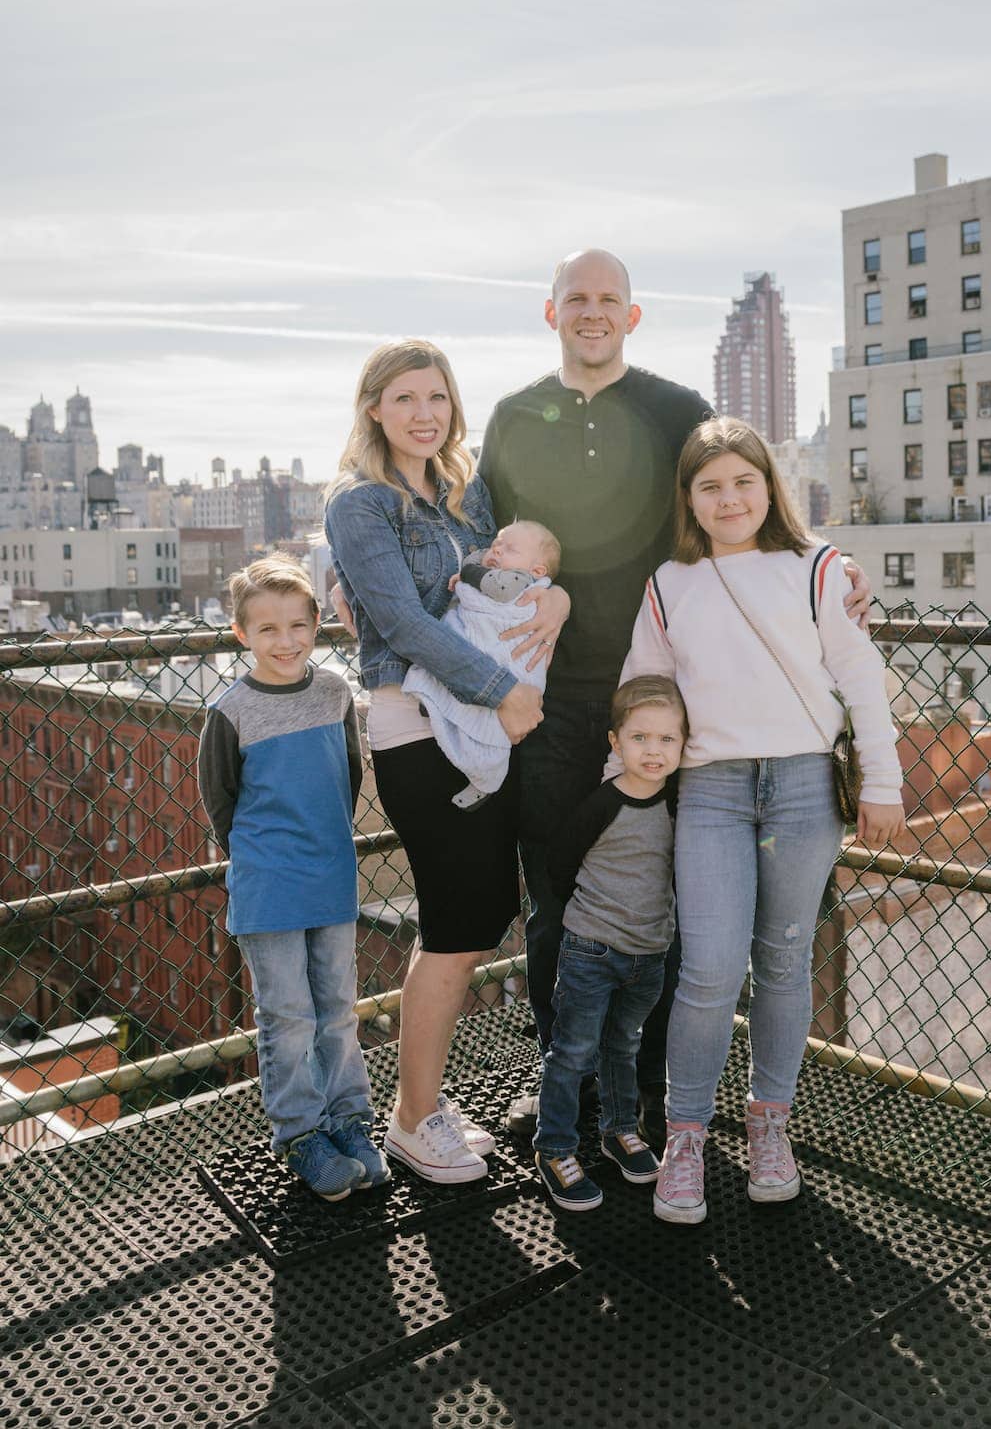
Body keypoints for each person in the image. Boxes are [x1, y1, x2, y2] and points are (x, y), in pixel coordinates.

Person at [477, 248, 874, 1140]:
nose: (592, 311)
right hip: (544, 701)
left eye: (608, 299)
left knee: (671, 907)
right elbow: (474, 539)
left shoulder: (677, 410)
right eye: (575, 298)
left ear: (632, 314)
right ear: (551, 313)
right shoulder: (509, 419)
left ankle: (648, 1091)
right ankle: (565, 1087)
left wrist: (835, 562)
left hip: (666, 710)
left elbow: (743, 505)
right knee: (555, 899)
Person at [616, 417, 905, 1226]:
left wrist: (883, 780)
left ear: (768, 485)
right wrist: (624, 784)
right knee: (707, 967)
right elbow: (644, 692)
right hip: (709, 788)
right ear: (690, 499)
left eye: (744, 480)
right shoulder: (669, 584)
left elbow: (861, 676)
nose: (729, 497)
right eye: (710, 486)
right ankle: (685, 1135)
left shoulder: (816, 569)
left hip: (805, 786)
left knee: (782, 959)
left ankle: (770, 1121)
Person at [323, 340, 554, 1184]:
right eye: (407, 397)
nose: (426, 413)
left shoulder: (464, 490)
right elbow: (404, 626)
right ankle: (414, 1121)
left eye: (439, 398)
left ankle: (420, 1102)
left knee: (478, 912)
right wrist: (506, 688)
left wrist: (553, 598)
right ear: (374, 407)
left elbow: (504, 578)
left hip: (484, 721)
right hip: (420, 722)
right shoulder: (360, 504)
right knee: (457, 922)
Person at [198, 556, 388, 1201]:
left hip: (331, 875)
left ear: (316, 626)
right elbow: (220, 802)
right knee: (287, 1017)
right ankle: (300, 1133)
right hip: (269, 886)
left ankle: (349, 1121)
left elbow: (349, 776)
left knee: (336, 1010)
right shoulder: (230, 711)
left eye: (298, 625)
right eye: (269, 629)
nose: (286, 641)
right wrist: (265, 858)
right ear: (241, 634)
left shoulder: (335, 693)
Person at [532, 675, 687, 1212]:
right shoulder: (601, 804)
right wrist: (590, 914)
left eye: (668, 740)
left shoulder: (679, 804)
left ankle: (619, 1131)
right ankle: (554, 1147)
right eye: (640, 738)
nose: (654, 750)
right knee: (572, 1051)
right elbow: (559, 864)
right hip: (591, 951)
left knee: (623, 1044)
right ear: (615, 742)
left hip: (649, 955)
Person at [402, 520, 562, 811]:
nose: (497, 549)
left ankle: (486, 776)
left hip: (511, 660)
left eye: (509, 548)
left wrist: (466, 574)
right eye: (497, 543)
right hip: (485, 643)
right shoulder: (498, 572)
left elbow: (494, 588)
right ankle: (443, 710)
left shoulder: (516, 583)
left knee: (488, 728)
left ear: (537, 571)